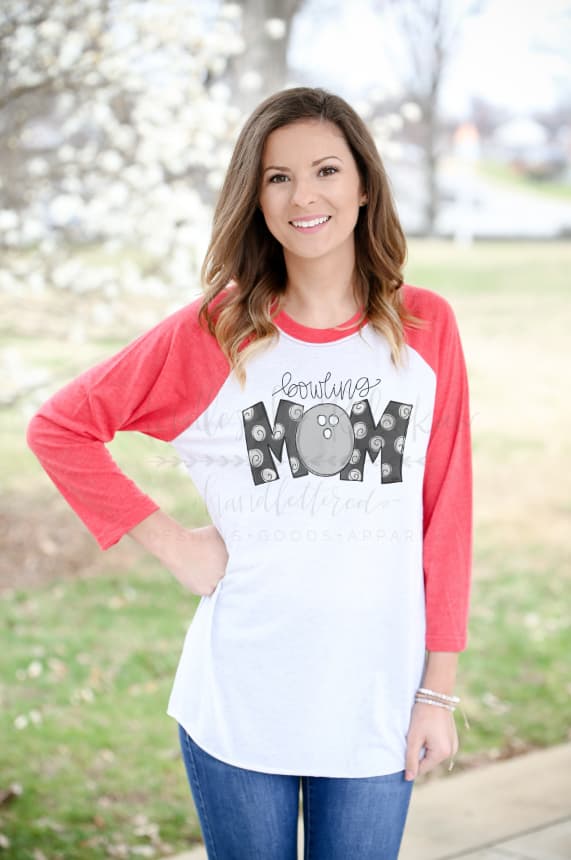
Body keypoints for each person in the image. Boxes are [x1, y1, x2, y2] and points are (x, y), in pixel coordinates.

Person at [27, 86, 473, 859]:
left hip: (376, 696)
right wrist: (175, 545)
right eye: (277, 177)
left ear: (363, 186)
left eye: (326, 171)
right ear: (256, 197)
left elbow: (447, 516)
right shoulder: (218, 330)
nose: (304, 196)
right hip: (240, 698)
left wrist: (437, 689)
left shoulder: (424, 328)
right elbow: (61, 428)